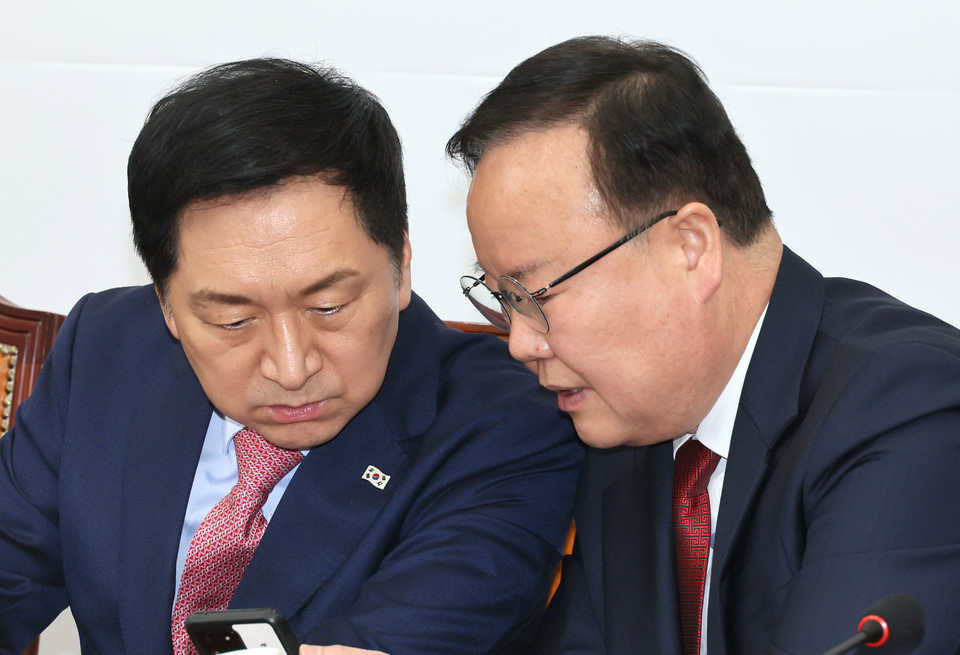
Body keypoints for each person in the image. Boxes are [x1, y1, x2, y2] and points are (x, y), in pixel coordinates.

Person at [0, 58, 583, 655]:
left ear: (402, 264)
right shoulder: (106, 349)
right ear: (166, 305)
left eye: (328, 307)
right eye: (233, 320)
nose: (291, 367)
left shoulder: (505, 427)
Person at [447, 36, 960, 654]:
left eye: (535, 295)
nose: (520, 343)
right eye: (503, 300)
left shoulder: (906, 405)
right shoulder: (627, 435)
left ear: (690, 247)